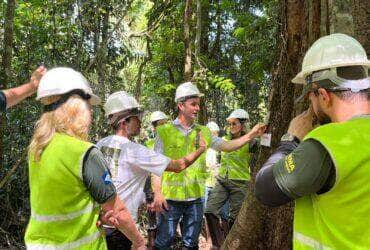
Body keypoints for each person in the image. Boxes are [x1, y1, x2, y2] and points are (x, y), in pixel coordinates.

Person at [255, 33, 370, 249]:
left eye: (312, 97)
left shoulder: (328, 143)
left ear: (324, 96)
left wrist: (290, 140)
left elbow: (265, 189)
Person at [25, 67, 145, 250]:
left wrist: (95, 214)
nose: (91, 114)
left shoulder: (37, 148)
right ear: (76, 108)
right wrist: (138, 241)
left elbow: (63, 200)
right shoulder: (85, 152)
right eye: (89, 107)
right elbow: (118, 210)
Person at [152, 82, 266, 250]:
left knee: (191, 244)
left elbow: (227, 146)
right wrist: (157, 193)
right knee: (164, 242)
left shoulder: (204, 131)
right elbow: (156, 165)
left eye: (198, 104)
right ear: (180, 105)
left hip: (196, 199)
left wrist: (251, 135)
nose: (197, 108)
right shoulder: (164, 131)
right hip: (170, 199)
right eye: (193, 104)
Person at [96, 91, 207, 249]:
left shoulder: (100, 144)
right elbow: (178, 166)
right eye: (136, 118)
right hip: (120, 226)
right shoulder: (134, 150)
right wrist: (201, 149)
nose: (140, 122)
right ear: (123, 122)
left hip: (101, 222)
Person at [205, 109, 258, 249]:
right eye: (230, 124)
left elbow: (265, 149)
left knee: (235, 218)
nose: (231, 126)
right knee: (209, 210)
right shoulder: (224, 140)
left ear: (243, 124)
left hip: (240, 182)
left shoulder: (251, 142)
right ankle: (219, 244)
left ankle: (233, 245)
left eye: (234, 123)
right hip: (222, 180)